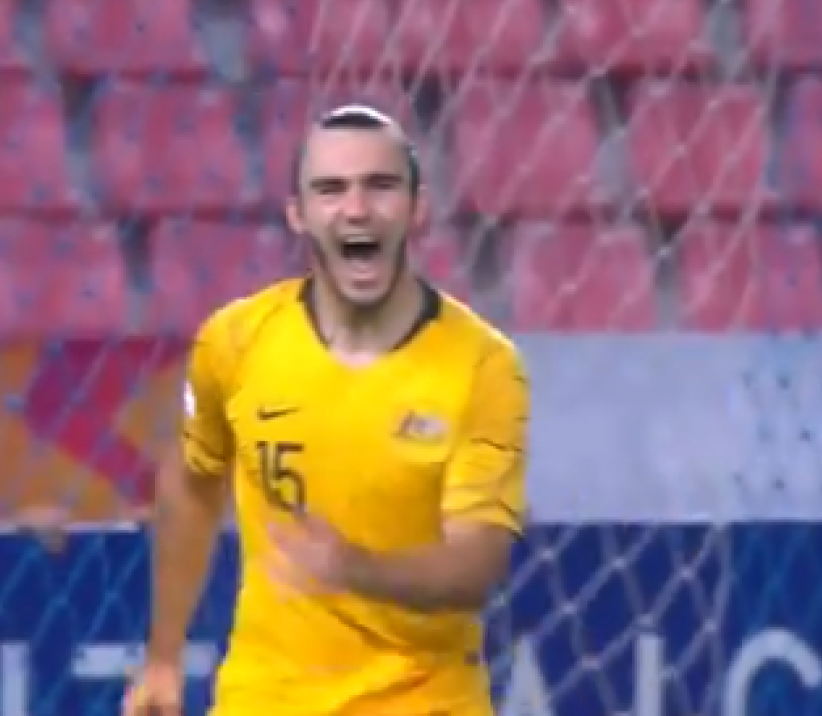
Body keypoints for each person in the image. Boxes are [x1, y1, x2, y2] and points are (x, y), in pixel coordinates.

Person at [122, 105, 529, 716]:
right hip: (267, 699)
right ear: (298, 213)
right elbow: (192, 482)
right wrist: (162, 659)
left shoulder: (483, 366)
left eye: (380, 186)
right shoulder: (235, 341)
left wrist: (356, 568)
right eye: (331, 189)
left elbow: (476, 563)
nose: (356, 209)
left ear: (418, 208)